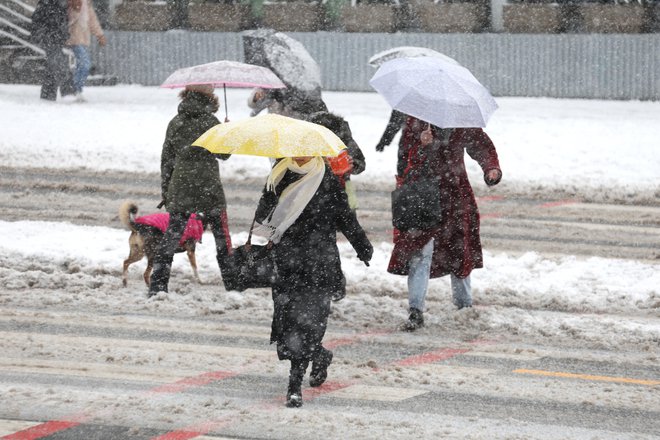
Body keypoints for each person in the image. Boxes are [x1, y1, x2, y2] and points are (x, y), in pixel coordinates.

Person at [253, 155, 373, 408]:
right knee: (288, 322)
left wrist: (362, 246)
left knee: (309, 324)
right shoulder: (279, 175)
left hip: (320, 264)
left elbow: (345, 217)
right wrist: (269, 230)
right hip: (287, 263)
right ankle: (319, 355)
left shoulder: (326, 179)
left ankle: (294, 386)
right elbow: (264, 213)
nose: (300, 155)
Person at [387, 117, 502, 331]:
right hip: (423, 197)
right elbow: (405, 163)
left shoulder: (461, 120)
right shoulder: (415, 122)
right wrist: (422, 146)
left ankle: (464, 305)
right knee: (421, 252)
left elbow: (481, 144)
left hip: (456, 196)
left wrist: (491, 168)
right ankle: (416, 309)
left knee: (460, 250)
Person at [149, 84, 232, 297]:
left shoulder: (175, 123)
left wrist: (166, 191)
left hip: (181, 184)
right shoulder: (210, 123)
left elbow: (166, 160)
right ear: (208, 97)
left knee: (171, 236)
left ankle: (158, 286)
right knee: (222, 237)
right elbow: (224, 155)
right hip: (209, 185)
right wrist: (227, 133)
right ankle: (233, 284)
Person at [309, 111, 366, 210]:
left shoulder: (343, 138)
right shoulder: (306, 141)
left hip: (340, 191)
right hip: (310, 192)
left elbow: (360, 163)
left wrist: (352, 165)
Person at [66, 0, 106, 102]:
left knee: (82, 65)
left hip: (84, 39)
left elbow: (92, 21)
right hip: (73, 39)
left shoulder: (87, 4)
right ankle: (76, 89)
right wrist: (74, 9)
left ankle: (77, 90)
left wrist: (99, 35)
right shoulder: (69, 4)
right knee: (85, 64)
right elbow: (67, 21)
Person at [29, 0, 69, 101]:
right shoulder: (45, 5)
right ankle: (68, 93)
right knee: (58, 63)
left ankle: (48, 94)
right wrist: (42, 34)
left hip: (56, 39)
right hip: (49, 39)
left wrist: (64, 34)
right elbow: (36, 21)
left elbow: (64, 22)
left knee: (53, 65)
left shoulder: (60, 6)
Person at [247, 86, 328, 121]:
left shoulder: (299, 85)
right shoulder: (267, 85)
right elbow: (252, 106)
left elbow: (314, 104)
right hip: (275, 123)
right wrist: (256, 97)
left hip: (294, 123)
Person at [374, 109, 408, 178]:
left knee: (404, 171)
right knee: (404, 171)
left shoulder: (405, 103)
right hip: (408, 145)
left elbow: (394, 123)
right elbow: (394, 122)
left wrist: (384, 140)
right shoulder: (405, 104)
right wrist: (384, 140)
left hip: (408, 145)